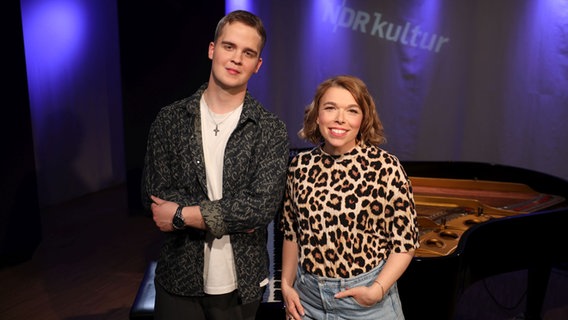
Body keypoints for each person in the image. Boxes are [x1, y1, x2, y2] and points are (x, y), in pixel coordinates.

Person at [141, 10, 289, 320]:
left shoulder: (270, 130)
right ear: (212, 50)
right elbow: (154, 198)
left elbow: (260, 209)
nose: (237, 58)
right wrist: (234, 214)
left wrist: (181, 214)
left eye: (248, 53)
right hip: (178, 279)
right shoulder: (170, 121)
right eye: (229, 47)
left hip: (241, 286)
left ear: (257, 65)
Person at [280, 75, 419, 320]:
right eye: (330, 108)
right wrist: (286, 284)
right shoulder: (299, 166)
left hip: (366, 305)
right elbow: (292, 233)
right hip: (308, 301)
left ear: (363, 119)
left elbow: (405, 244)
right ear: (317, 115)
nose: (340, 119)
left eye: (351, 110)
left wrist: (376, 290)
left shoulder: (386, 168)